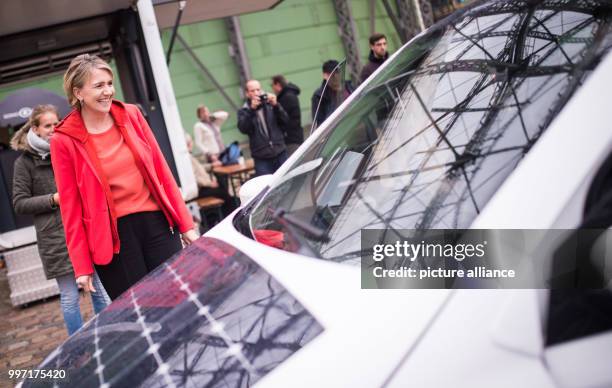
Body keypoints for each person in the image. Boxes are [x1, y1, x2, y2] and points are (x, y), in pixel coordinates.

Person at [51, 54, 199, 300]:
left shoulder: (131, 115)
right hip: (113, 240)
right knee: (140, 312)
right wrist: (82, 266)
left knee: (179, 301)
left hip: (158, 225)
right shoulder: (63, 139)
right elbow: (70, 205)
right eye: (98, 86)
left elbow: (162, 173)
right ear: (78, 93)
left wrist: (187, 225)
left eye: (109, 83)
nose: (107, 91)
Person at [11, 104, 110, 335]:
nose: (54, 129)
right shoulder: (24, 163)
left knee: (99, 289)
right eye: (47, 125)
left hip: (85, 230)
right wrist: (54, 199)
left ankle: (107, 336)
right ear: (34, 129)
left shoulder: (67, 148)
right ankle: (77, 345)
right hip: (55, 238)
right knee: (69, 297)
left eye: (56, 123)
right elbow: (19, 203)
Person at [237, 79, 289, 176]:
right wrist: (251, 110)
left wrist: (276, 105)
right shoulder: (244, 110)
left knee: (287, 182)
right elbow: (243, 128)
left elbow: (285, 121)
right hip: (261, 157)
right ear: (247, 93)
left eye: (258, 89)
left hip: (280, 152)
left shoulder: (270, 104)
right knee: (266, 187)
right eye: (252, 91)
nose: (256, 93)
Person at [185, 132, 235, 217]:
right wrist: (209, 184)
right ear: (189, 144)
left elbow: (200, 168)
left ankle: (224, 214)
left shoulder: (188, 156)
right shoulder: (187, 158)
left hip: (202, 188)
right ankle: (228, 216)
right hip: (199, 191)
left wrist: (211, 165)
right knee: (225, 194)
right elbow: (193, 178)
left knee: (223, 190)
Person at [311, 60, 351, 128]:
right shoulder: (319, 96)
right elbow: (319, 123)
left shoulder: (349, 86)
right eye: (332, 75)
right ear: (325, 76)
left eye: (337, 73)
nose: (336, 77)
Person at [271, 75, 303, 155]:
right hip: (294, 136)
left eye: (272, 86)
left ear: (278, 85)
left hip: (291, 138)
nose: (272, 89)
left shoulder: (286, 98)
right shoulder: (289, 95)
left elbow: (283, 119)